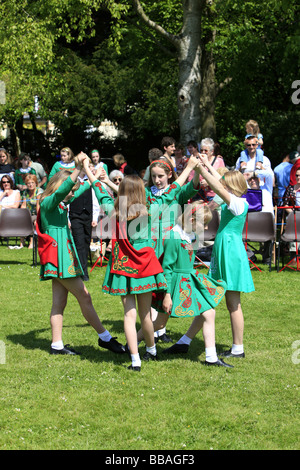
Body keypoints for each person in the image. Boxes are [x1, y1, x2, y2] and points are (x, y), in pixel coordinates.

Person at [37, 152, 125, 356]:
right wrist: (77, 167)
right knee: (85, 297)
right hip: (59, 259)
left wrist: (90, 173)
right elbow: (65, 191)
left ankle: (56, 345)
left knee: (59, 302)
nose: (72, 194)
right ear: (60, 186)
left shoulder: (59, 203)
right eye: (70, 190)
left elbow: (78, 189)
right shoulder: (50, 201)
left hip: (60, 258)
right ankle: (105, 338)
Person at [83, 160, 168, 372]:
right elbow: (172, 191)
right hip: (146, 265)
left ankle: (135, 360)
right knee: (146, 314)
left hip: (124, 266)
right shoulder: (152, 207)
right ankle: (151, 350)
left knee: (129, 315)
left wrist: (87, 168)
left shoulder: (115, 209)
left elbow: (98, 188)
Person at [148, 201, 232, 367]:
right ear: (192, 220)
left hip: (189, 281)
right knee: (160, 323)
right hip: (174, 287)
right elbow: (167, 269)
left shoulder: (190, 235)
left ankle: (210, 357)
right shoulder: (173, 237)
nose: (206, 228)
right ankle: (132, 343)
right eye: (205, 224)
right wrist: (167, 295)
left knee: (208, 312)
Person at [197, 155, 255, 359]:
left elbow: (219, 187)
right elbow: (220, 183)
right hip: (225, 250)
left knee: (233, 303)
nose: (223, 187)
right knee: (226, 301)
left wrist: (202, 170)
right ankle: (233, 347)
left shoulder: (238, 203)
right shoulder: (232, 199)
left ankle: (238, 348)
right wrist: (204, 165)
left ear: (234, 186)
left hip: (230, 253)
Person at [280, 167, 300, 265]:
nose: (298, 177)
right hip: (293, 214)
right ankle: (293, 256)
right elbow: (284, 204)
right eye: (297, 175)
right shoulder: (291, 188)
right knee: (293, 222)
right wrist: (292, 213)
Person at [20, 174, 43, 248]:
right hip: (28, 213)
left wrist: (38, 218)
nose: (30, 185)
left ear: (36, 183)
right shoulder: (25, 192)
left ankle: (32, 241)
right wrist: (21, 215)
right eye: (28, 183)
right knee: (20, 220)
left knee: (34, 222)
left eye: (32, 182)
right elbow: (24, 205)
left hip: (37, 213)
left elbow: (38, 206)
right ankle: (22, 241)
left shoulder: (39, 191)